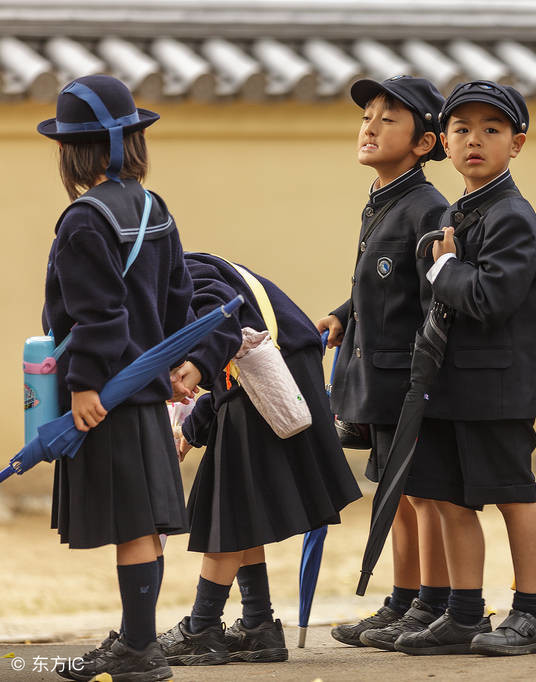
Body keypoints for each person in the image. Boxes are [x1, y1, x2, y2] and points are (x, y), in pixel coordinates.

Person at [394, 81, 536, 656]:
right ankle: (464, 613)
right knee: (448, 497)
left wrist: (442, 271)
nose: (475, 141)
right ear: (444, 141)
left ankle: (533, 615)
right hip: (453, 384)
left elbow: (492, 298)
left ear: (517, 144)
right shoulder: (456, 213)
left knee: (515, 495)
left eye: (492, 129)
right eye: (462, 129)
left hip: (500, 387)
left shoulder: (511, 214)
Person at [41, 74, 190, 682]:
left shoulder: (82, 220)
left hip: (109, 393)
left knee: (131, 523)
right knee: (144, 521)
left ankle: (137, 652)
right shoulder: (156, 208)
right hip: (148, 390)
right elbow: (178, 297)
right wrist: (181, 365)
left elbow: (97, 315)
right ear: (132, 144)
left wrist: (81, 387)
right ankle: (137, 641)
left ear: (73, 152)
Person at [158, 253, 362, 666]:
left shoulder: (178, 273)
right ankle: (258, 627)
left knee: (227, 508)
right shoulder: (178, 273)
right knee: (241, 506)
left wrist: (196, 367)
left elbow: (225, 325)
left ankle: (202, 627)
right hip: (269, 375)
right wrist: (191, 432)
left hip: (270, 377)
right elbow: (222, 378)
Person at [315, 76, 453, 650]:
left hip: (406, 378)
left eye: (387, 119)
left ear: (424, 143)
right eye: (366, 117)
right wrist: (344, 313)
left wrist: (422, 379)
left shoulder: (428, 207)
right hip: (375, 375)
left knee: (421, 494)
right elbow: (380, 283)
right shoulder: (383, 200)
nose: (369, 127)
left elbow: (434, 300)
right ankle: (402, 599)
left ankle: (434, 604)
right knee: (392, 493)